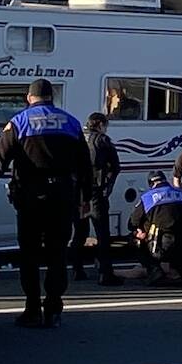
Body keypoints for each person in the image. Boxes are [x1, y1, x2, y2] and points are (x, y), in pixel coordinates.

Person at [0, 79, 91, 327]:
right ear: (51, 97)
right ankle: (53, 308)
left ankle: (32, 308)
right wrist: (85, 198)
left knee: (30, 255)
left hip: (31, 197)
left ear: (29, 98)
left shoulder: (20, 122)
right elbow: (85, 167)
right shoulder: (72, 123)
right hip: (62, 197)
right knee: (57, 254)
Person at [130, 173, 182, 288]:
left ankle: (155, 271)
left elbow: (132, 223)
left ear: (151, 184)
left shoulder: (148, 197)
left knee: (135, 238)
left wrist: (141, 230)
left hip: (164, 245)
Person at [74, 112, 124, 286]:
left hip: (77, 192)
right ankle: (105, 273)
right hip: (95, 192)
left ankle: (77, 269)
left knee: (80, 232)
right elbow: (115, 166)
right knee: (102, 233)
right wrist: (107, 188)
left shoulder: (77, 137)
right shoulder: (102, 140)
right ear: (101, 124)